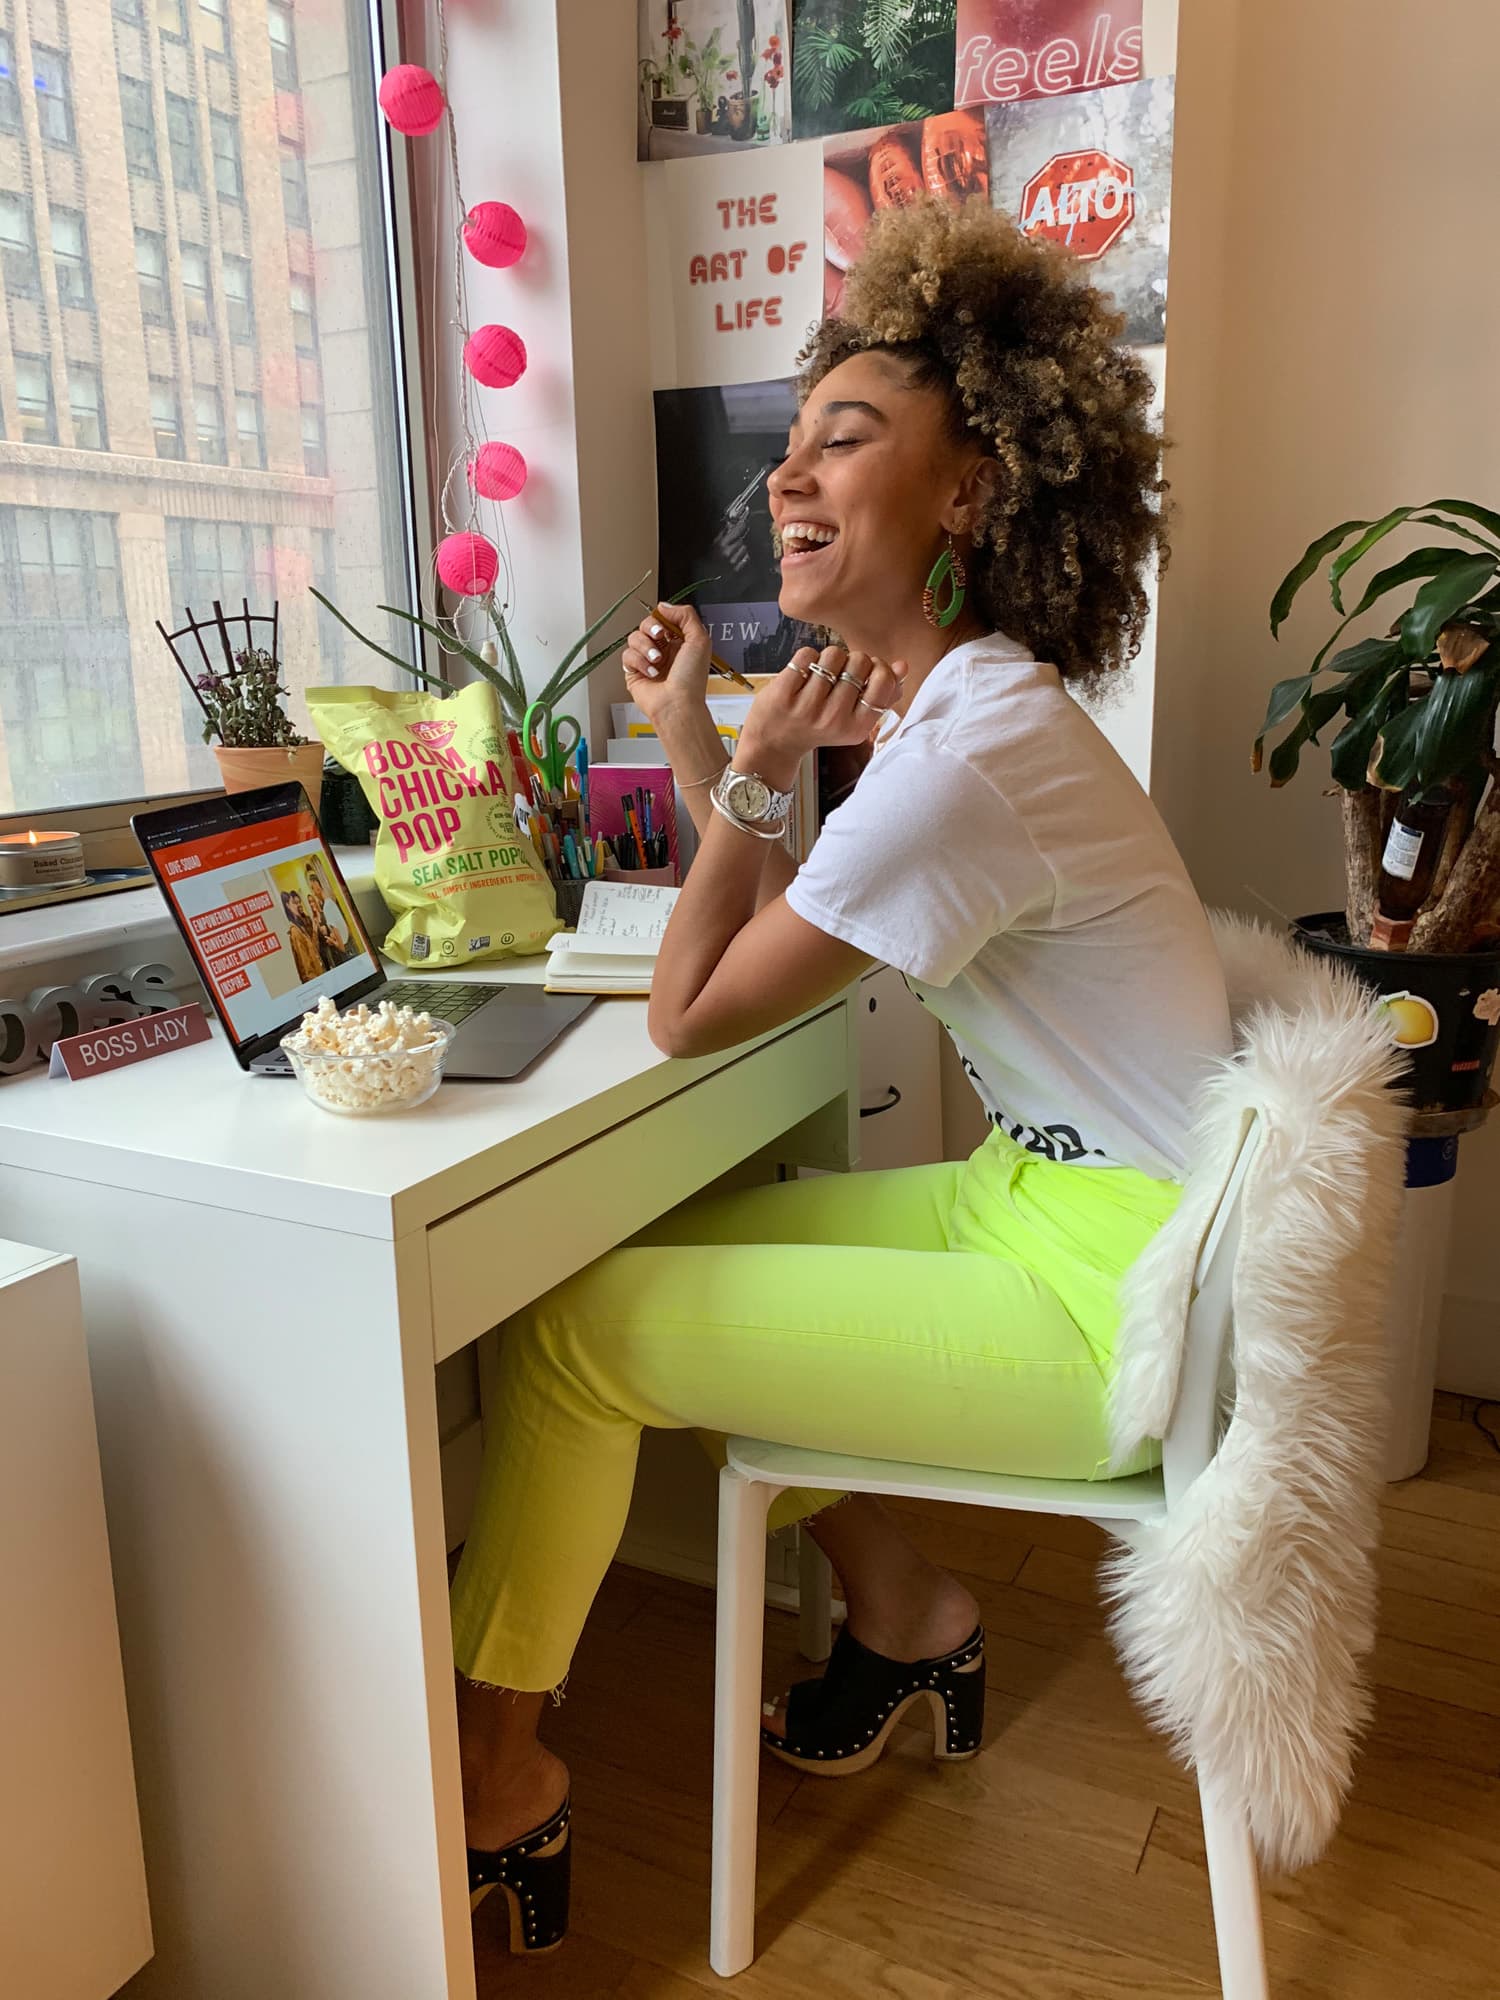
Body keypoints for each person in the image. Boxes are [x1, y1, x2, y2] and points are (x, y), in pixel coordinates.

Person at [448, 200, 1231, 1953]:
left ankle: (499, 1772)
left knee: (574, 1333)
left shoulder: (962, 760)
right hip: (1069, 1212)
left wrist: (733, 768)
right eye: (792, 442)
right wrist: (705, 743)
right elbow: (807, 905)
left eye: (848, 440)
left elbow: (686, 1010)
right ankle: (907, 1609)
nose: (789, 477)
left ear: (970, 494)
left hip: (1113, 1301)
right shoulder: (977, 712)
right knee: (686, 1253)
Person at [303, 858, 350, 970]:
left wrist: (332, 941)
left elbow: (341, 947)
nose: (313, 892)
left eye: (312, 888)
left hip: (346, 955)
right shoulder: (330, 902)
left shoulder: (327, 907)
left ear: (317, 885)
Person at [279, 889, 325, 985]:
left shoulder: (300, 927)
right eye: (294, 903)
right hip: (316, 980)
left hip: (320, 972)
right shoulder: (295, 931)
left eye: (298, 902)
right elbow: (306, 968)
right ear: (288, 906)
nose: (298, 906)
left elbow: (313, 950)